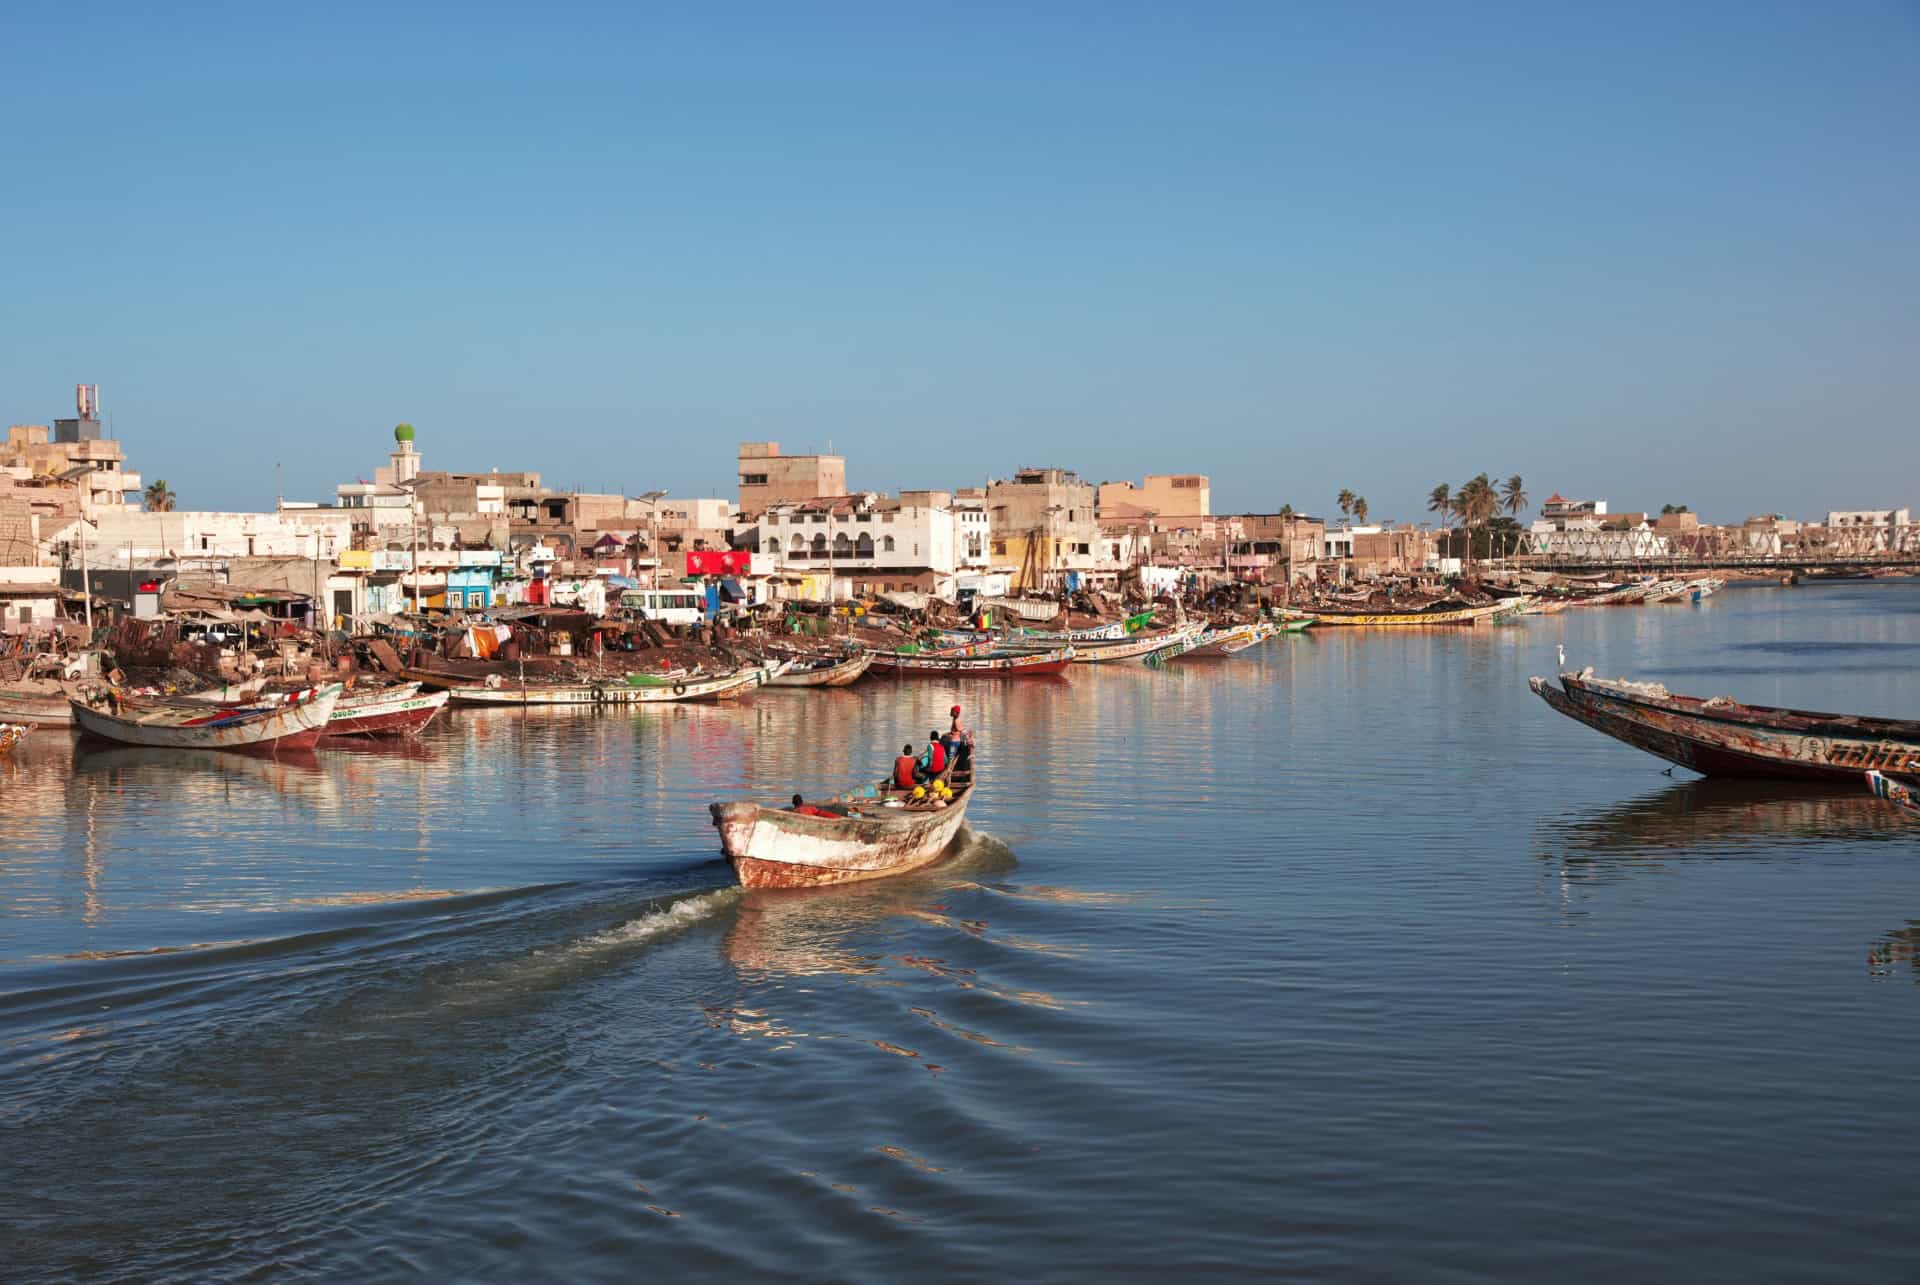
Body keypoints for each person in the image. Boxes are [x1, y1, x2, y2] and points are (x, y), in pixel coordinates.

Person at [944, 704, 974, 772]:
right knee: (952, 758)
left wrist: (968, 739)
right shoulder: (955, 719)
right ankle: (950, 771)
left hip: (954, 743)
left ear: (955, 712)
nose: (950, 712)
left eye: (952, 711)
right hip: (956, 742)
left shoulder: (956, 720)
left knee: (950, 759)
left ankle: (948, 772)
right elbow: (957, 731)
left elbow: (962, 731)